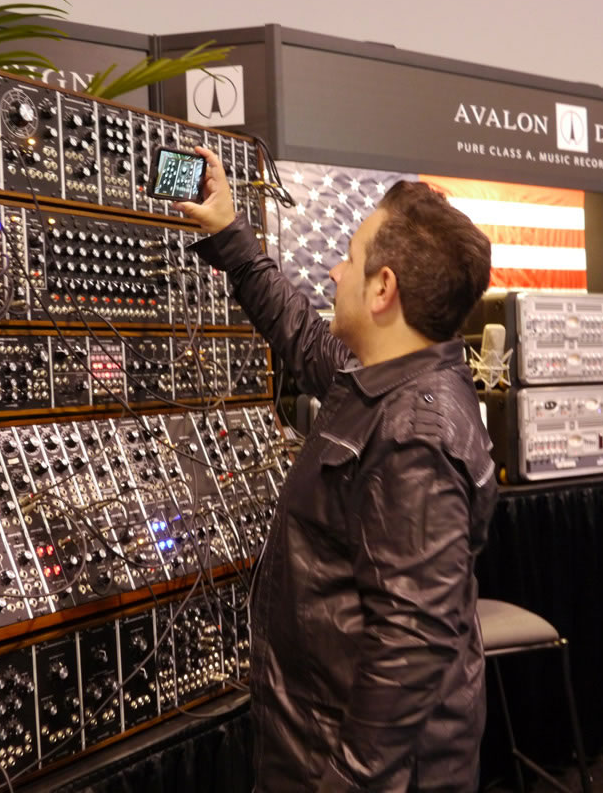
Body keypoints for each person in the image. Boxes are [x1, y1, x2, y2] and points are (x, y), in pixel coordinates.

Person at [176, 147, 497, 792]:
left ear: (383, 289)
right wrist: (232, 236)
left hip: (353, 766)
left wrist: (348, 781)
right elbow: (302, 336)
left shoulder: (415, 436)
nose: (333, 271)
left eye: (350, 258)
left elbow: (413, 641)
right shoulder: (384, 385)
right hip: (324, 742)